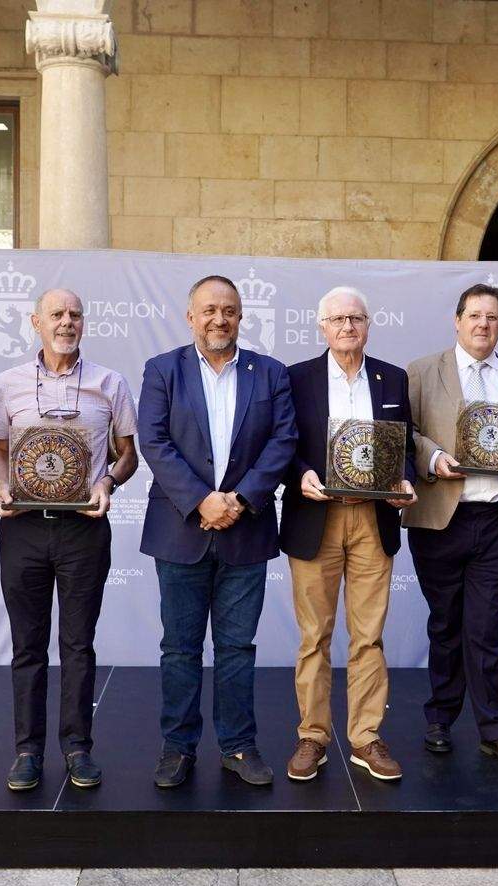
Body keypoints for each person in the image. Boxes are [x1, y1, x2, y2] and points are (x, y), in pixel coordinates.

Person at [137, 275, 298, 788]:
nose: (218, 319)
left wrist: (240, 499)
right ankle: (178, 748)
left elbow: (283, 441)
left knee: (237, 647)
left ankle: (238, 746)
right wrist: (201, 500)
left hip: (244, 528)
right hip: (181, 529)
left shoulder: (269, 373)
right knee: (179, 648)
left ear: (241, 316)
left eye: (228, 310)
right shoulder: (163, 370)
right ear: (190, 317)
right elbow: (154, 441)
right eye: (208, 310)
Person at [0, 288, 138, 792]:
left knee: (78, 644)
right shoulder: (9, 382)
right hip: (24, 527)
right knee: (27, 646)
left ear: (84, 322)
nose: (66, 322)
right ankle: (27, 751)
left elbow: (127, 455)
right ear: (36, 322)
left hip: (83, 530)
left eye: (75, 314)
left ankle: (77, 748)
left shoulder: (108, 383)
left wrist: (107, 482)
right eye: (57, 314)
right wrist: (2, 484)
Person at [404, 283, 498, 769]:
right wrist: (436, 457)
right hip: (441, 518)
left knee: (485, 628)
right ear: (457, 320)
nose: (483, 325)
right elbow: (407, 434)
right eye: (475, 316)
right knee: (446, 624)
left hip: (497, 519)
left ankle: (493, 728)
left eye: (492, 317)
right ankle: (440, 720)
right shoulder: (423, 372)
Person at [279, 286, 416, 782]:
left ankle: (366, 737)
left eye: (355, 318)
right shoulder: (296, 379)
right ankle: (312, 736)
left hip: (373, 519)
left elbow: (405, 447)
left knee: (369, 637)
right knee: (314, 637)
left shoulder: (392, 378)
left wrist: (403, 479)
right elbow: (283, 442)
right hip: (316, 517)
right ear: (321, 327)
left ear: (368, 324)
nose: (347, 327)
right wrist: (299, 474)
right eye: (337, 319)